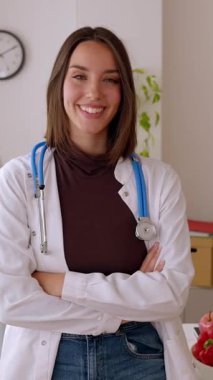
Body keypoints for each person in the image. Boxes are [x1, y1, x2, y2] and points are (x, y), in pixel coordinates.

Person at [0, 26, 197, 380]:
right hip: (49, 359)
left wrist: (60, 284)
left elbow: (172, 292)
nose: (94, 92)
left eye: (110, 79)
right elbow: (10, 298)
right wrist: (118, 311)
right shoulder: (17, 180)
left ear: (124, 93)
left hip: (141, 357)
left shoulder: (159, 181)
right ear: (59, 84)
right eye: (79, 76)